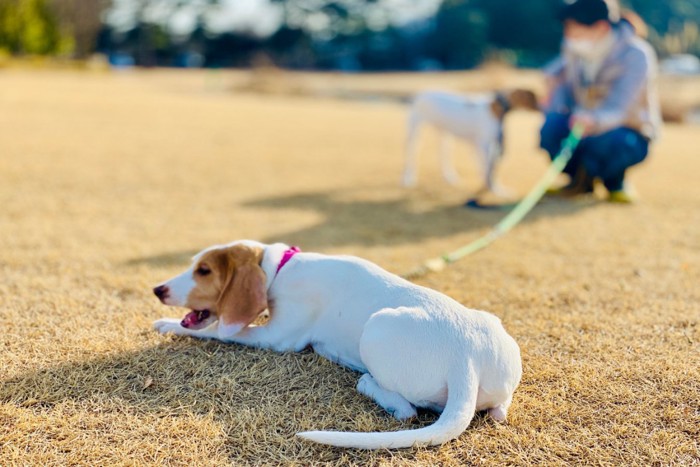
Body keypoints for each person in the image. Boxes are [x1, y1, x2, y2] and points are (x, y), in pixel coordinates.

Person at [540, 0, 662, 203]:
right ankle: (578, 182)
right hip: (581, 123)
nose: (569, 37)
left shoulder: (636, 54)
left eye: (575, 30)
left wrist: (594, 120)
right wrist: (553, 93)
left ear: (600, 27)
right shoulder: (573, 48)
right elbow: (558, 76)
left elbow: (622, 108)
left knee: (609, 143)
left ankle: (615, 182)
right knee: (552, 128)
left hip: (626, 130)